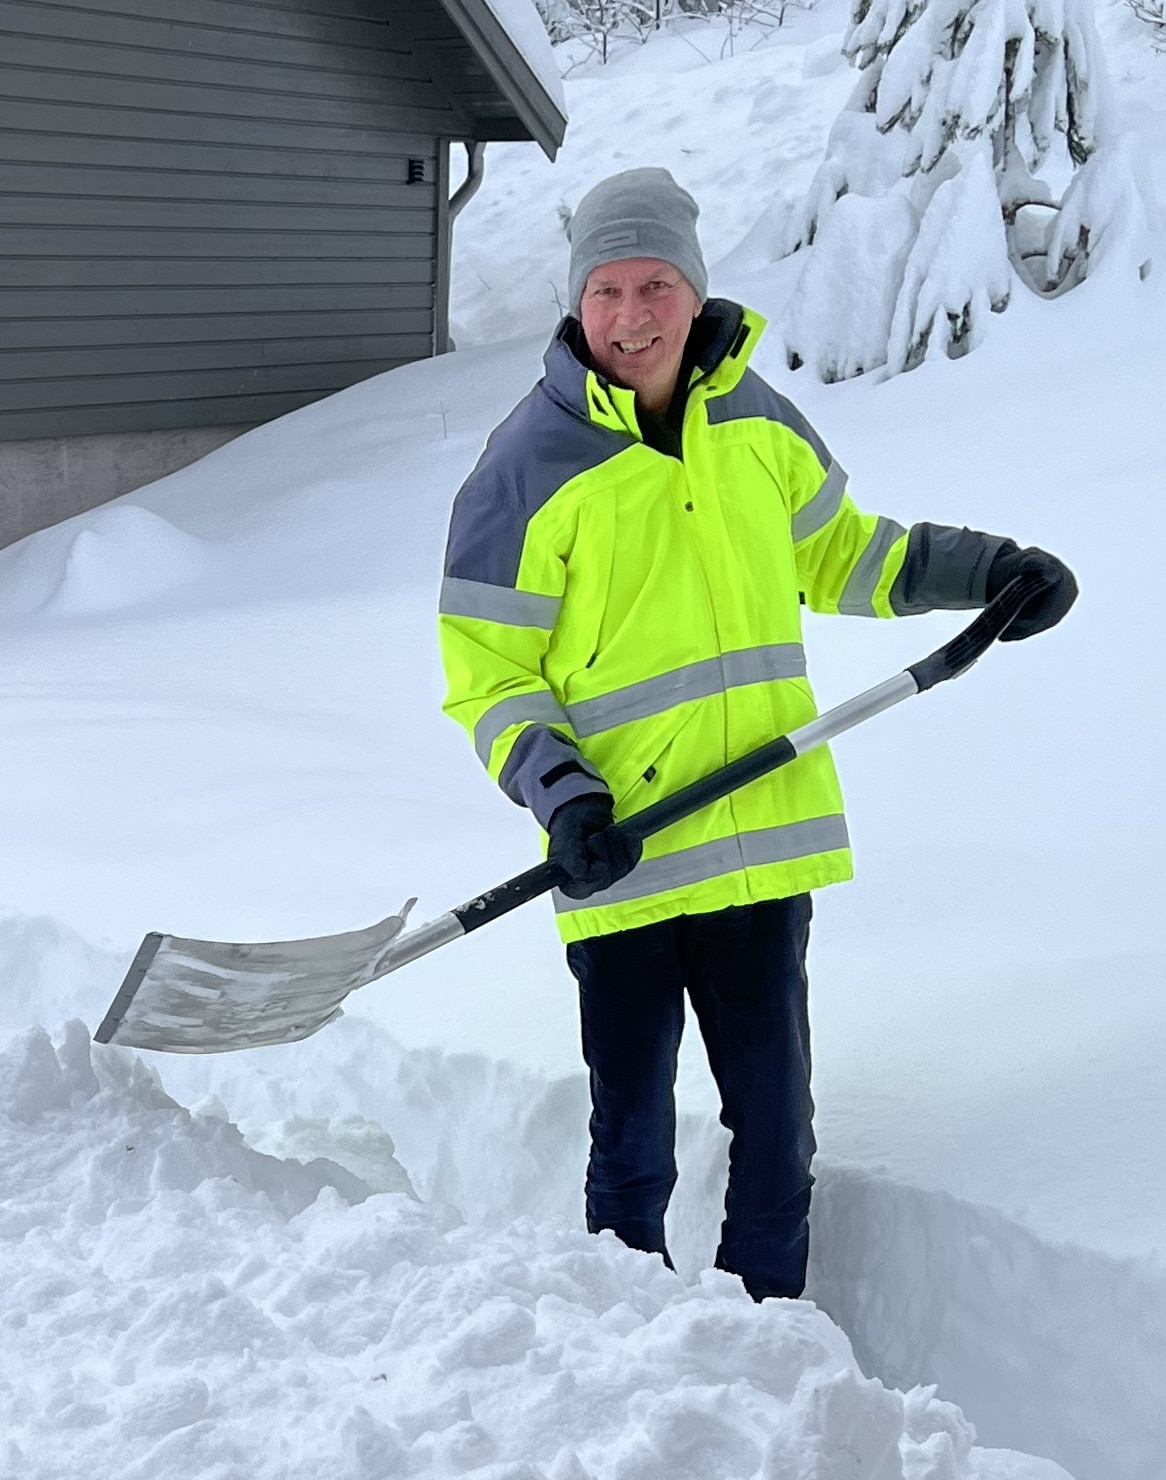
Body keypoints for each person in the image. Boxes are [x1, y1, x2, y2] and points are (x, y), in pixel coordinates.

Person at [437, 168, 1076, 1301]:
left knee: (777, 1136)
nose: (630, 317)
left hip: (759, 843)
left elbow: (847, 553)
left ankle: (766, 1344)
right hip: (624, 854)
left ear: (694, 293)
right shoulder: (523, 470)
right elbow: (489, 679)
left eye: (655, 286)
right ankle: (618, 1345)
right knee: (630, 1142)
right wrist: (564, 797)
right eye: (605, 291)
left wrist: (984, 568)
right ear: (574, 303)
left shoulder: (754, 423)